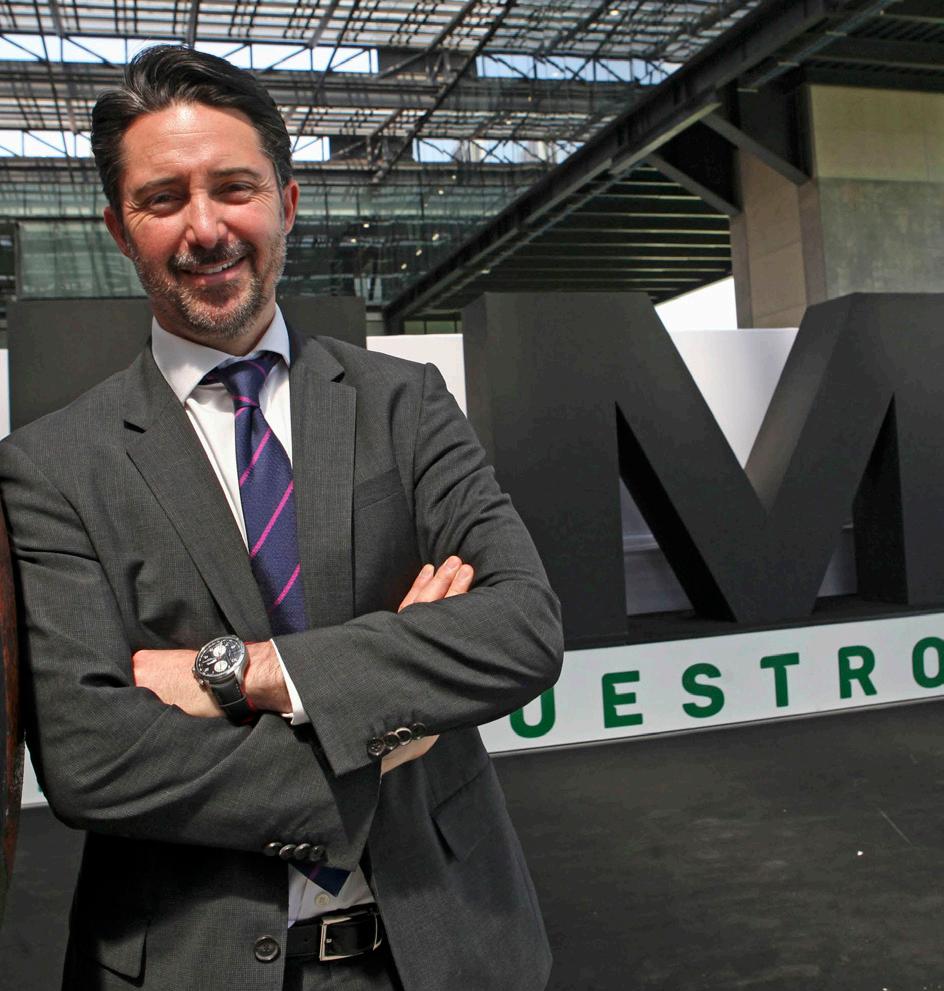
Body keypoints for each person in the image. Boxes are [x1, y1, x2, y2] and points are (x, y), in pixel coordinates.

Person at [0, 45, 563, 991]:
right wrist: (385, 723)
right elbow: (94, 755)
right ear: (119, 229)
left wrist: (244, 673)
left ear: (288, 203)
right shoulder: (50, 466)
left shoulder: (407, 404)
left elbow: (521, 626)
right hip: (191, 964)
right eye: (163, 199)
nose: (206, 228)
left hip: (451, 945)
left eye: (235, 188)